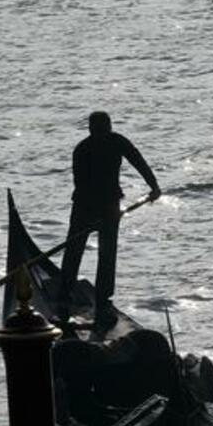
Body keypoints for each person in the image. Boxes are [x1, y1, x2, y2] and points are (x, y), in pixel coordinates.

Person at [60, 111, 161, 324]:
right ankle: (66, 294)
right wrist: (94, 214)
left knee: (106, 253)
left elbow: (138, 161)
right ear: (92, 130)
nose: (100, 134)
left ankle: (102, 300)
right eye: (98, 130)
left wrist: (154, 186)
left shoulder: (115, 142)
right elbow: (81, 183)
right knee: (75, 248)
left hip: (108, 205)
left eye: (102, 130)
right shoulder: (83, 150)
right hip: (86, 205)